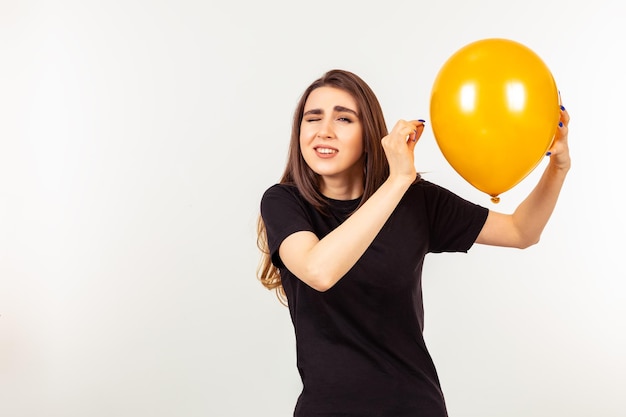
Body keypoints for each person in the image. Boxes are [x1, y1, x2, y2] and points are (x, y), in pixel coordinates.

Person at [256, 69, 570, 417]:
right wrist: (398, 180)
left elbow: (521, 231)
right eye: (312, 118)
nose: (324, 131)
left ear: (369, 134)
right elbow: (319, 270)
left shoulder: (415, 201)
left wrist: (557, 167)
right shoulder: (284, 202)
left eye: (344, 118)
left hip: (413, 405)